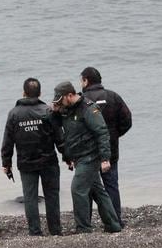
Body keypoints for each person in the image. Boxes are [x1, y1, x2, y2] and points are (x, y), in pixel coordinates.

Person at [51, 81, 121, 234]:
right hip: (78, 156)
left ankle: (83, 228)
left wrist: (105, 158)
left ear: (69, 95)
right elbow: (56, 124)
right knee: (97, 192)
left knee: (78, 189)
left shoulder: (88, 108)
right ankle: (113, 225)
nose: (60, 103)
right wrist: (54, 111)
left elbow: (102, 132)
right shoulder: (67, 109)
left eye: (60, 100)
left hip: (90, 156)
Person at [1, 78, 63, 236]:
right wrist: (68, 156)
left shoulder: (14, 114)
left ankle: (35, 231)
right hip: (48, 160)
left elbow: (8, 141)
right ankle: (55, 230)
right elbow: (59, 137)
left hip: (26, 162)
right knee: (52, 195)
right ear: (40, 93)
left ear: (23, 93)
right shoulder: (47, 111)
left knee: (30, 197)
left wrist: (6, 162)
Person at [81, 67, 132, 226]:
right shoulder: (113, 97)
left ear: (86, 81)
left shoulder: (82, 100)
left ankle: (86, 222)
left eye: (81, 80)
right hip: (110, 149)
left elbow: (75, 126)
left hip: (87, 151)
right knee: (111, 186)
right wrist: (114, 135)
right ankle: (115, 219)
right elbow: (127, 120)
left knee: (87, 187)